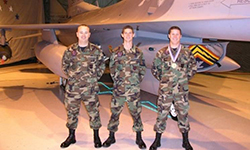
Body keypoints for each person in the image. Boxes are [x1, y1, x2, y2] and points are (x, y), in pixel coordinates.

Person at [149, 26, 197, 150]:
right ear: (169, 36)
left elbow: (193, 68)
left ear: (180, 36)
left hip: (181, 90)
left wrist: (184, 79)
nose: (175, 36)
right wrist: (165, 80)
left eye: (177, 34)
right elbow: (155, 69)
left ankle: (186, 141)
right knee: (162, 113)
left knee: (183, 114)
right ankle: (157, 140)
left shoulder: (187, 52)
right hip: (166, 90)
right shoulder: (162, 53)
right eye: (173, 34)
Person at [60, 24, 106, 148]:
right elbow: (65, 66)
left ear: (89, 34)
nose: (83, 35)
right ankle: (71, 136)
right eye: (81, 32)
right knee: (71, 112)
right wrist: (73, 77)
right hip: (73, 88)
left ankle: (96, 136)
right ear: (77, 34)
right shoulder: (70, 50)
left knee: (94, 112)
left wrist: (93, 78)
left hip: (90, 89)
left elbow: (102, 66)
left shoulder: (96, 51)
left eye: (86, 32)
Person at [102, 25, 147, 149]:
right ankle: (111, 136)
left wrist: (136, 81)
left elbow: (142, 68)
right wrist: (118, 81)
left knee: (136, 113)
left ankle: (139, 137)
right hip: (119, 89)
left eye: (130, 33)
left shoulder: (138, 52)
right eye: (125, 33)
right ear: (122, 35)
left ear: (133, 35)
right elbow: (112, 68)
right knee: (115, 113)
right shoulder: (116, 52)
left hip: (134, 89)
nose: (128, 35)